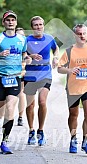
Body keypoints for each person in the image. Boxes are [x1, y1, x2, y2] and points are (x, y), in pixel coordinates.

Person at [0, 10, 30, 154]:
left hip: (15, 77)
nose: (10, 22)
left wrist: (26, 60)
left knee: (10, 108)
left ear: (16, 23)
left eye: (13, 20)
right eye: (7, 20)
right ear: (3, 23)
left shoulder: (22, 40)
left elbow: (24, 54)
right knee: (0, 109)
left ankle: (5, 141)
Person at [57, 24, 87, 154]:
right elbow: (59, 68)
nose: (82, 36)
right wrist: (70, 70)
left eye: (84, 33)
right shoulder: (69, 51)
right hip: (73, 88)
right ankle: (73, 139)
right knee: (73, 115)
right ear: (75, 35)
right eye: (79, 34)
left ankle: (86, 141)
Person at [24, 16, 59, 146]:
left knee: (42, 101)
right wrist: (30, 56)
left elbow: (56, 48)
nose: (38, 27)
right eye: (35, 25)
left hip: (45, 73)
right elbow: (22, 55)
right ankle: (31, 130)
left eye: (40, 24)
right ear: (32, 27)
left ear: (43, 26)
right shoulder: (26, 40)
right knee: (31, 105)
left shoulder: (49, 38)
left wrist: (55, 57)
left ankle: (41, 130)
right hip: (30, 74)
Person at [15, 27, 26, 126]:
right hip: (8, 72)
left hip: (21, 72)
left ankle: (20, 117)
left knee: (21, 92)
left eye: (22, 35)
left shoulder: (26, 46)